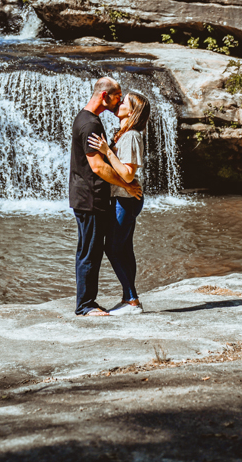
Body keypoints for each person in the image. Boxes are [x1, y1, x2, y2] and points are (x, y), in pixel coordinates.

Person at [69, 76, 141, 317]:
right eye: (117, 98)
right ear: (104, 96)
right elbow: (98, 167)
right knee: (90, 250)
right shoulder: (90, 124)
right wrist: (127, 186)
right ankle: (86, 305)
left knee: (96, 249)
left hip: (91, 197)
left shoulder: (87, 119)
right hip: (90, 198)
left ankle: (95, 301)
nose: (118, 102)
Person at [88, 90, 150, 315]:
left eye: (124, 101)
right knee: (124, 249)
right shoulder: (124, 134)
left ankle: (132, 300)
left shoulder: (132, 135)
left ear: (132, 111)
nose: (119, 102)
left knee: (112, 248)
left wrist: (106, 151)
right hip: (124, 198)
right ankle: (129, 298)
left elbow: (128, 175)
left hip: (127, 199)